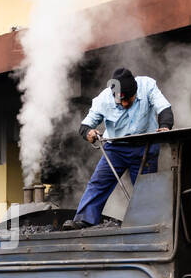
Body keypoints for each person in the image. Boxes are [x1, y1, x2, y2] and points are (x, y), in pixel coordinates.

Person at [62, 68, 174, 230]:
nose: (124, 104)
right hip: (115, 148)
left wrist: (165, 126)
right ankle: (84, 219)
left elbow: (164, 109)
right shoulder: (103, 99)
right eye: (120, 101)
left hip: (146, 145)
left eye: (128, 100)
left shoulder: (147, 86)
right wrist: (90, 132)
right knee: (98, 183)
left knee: (146, 187)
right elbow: (85, 126)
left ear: (135, 92)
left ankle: (147, 225)